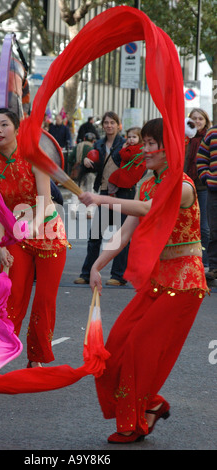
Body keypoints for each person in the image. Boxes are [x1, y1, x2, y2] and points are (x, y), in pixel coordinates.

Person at [78, 118, 208, 443]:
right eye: (145, 143)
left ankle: (133, 422)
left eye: (152, 144)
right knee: (116, 345)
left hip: (185, 283)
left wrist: (102, 199)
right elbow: (124, 233)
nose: (145, 150)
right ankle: (151, 405)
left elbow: (150, 209)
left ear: (170, 148)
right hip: (158, 280)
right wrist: (98, 265)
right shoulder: (148, 183)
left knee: (140, 348)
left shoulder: (184, 186)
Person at [0, 108, 68, 368]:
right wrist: (0, 245)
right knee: (12, 298)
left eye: (4, 125)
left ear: (17, 129)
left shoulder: (34, 158)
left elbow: (46, 201)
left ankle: (36, 358)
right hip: (18, 239)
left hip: (49, 236)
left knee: (44, 301)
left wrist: (34, 225)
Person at [74, 111, 135, 287]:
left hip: (123, 195)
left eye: (112, 123)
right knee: (95, 236)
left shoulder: (125, 144)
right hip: (103, 193)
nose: (109, 126)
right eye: (106, 123)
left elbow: (136, 167)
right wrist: (87, 162)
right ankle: (87, 273)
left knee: (120, 236)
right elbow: (98, 168)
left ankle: (118, 275)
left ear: (118, 125)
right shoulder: (99, 144)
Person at [184, 108, 211, 266]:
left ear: (205, 121)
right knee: (187, 223)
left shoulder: (208, 137)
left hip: (203, 186)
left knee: (204, 227)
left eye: (200, 118)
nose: (197, 121)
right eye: (194, 118)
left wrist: (206, 177)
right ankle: (190, 259)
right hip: (186, 185)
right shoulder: (186, 139)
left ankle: (205, 263)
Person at [197, 125, 217, 282]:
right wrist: (206, 178)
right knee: (214, 230)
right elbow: (201, 157)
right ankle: (214, 267)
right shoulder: (212, 132)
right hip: (214, 190)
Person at [108, 126, 145, 195]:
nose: (131, 139)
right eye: (129, 137)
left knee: (113, 178)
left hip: (129, 173)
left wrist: (123, 149)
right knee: (114, 179)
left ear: (140, 138)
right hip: (130, 172)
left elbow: (125, 157)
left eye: (134, 137)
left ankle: (111, 193)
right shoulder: (139, 147)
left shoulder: (136, 148)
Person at [68, 132, 97, 219]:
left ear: (84, 139)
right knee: (90, 192)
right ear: (93, 140)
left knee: (76, 192)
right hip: (89, 173)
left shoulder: (77, 146)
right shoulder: (93, 148)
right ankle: (89, 212)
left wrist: (75, 164)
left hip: (78, 172)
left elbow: (69, 159)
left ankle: (73, 209)